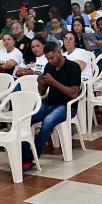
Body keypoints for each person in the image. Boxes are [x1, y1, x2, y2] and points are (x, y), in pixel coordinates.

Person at [22, 42, 81, 171]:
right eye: (48, 58)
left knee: (48, 121)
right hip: (49, 103)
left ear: (59, 52)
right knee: (25, 119)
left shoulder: (73, 67)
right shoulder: (49, 67)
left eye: (52, 57)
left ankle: (33, 156)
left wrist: (54, 82)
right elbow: (42, 92)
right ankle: (25, 155)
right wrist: (40, 83)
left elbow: (74, 93)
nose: (50, 61)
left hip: (67, 106)